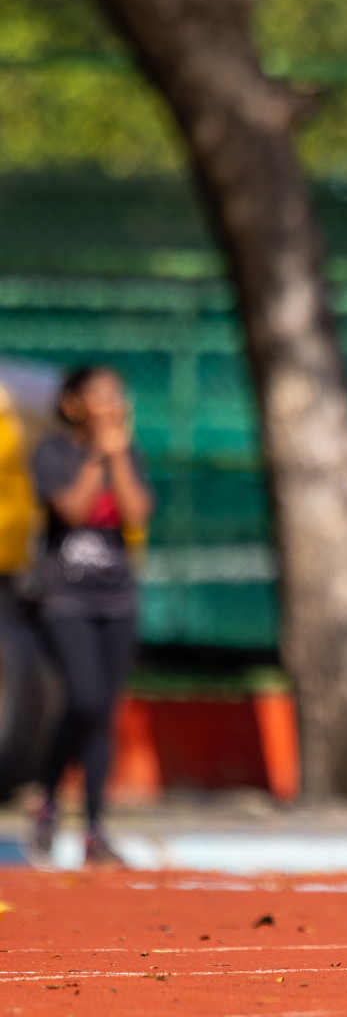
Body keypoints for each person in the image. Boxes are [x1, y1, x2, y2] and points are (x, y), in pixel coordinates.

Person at [27, 365, 155, 869]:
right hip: (65, 597)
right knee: (83, 698)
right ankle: (50, 798)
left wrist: (119, 455)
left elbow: (136, 514)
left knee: (104, 712)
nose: (115, 404)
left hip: (116, 598)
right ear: (75, 404)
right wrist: (98, 454)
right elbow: (74, 512)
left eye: (118, 395)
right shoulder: (53, 454)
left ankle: (95, 831)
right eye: (102, 395)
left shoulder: (130, 456)